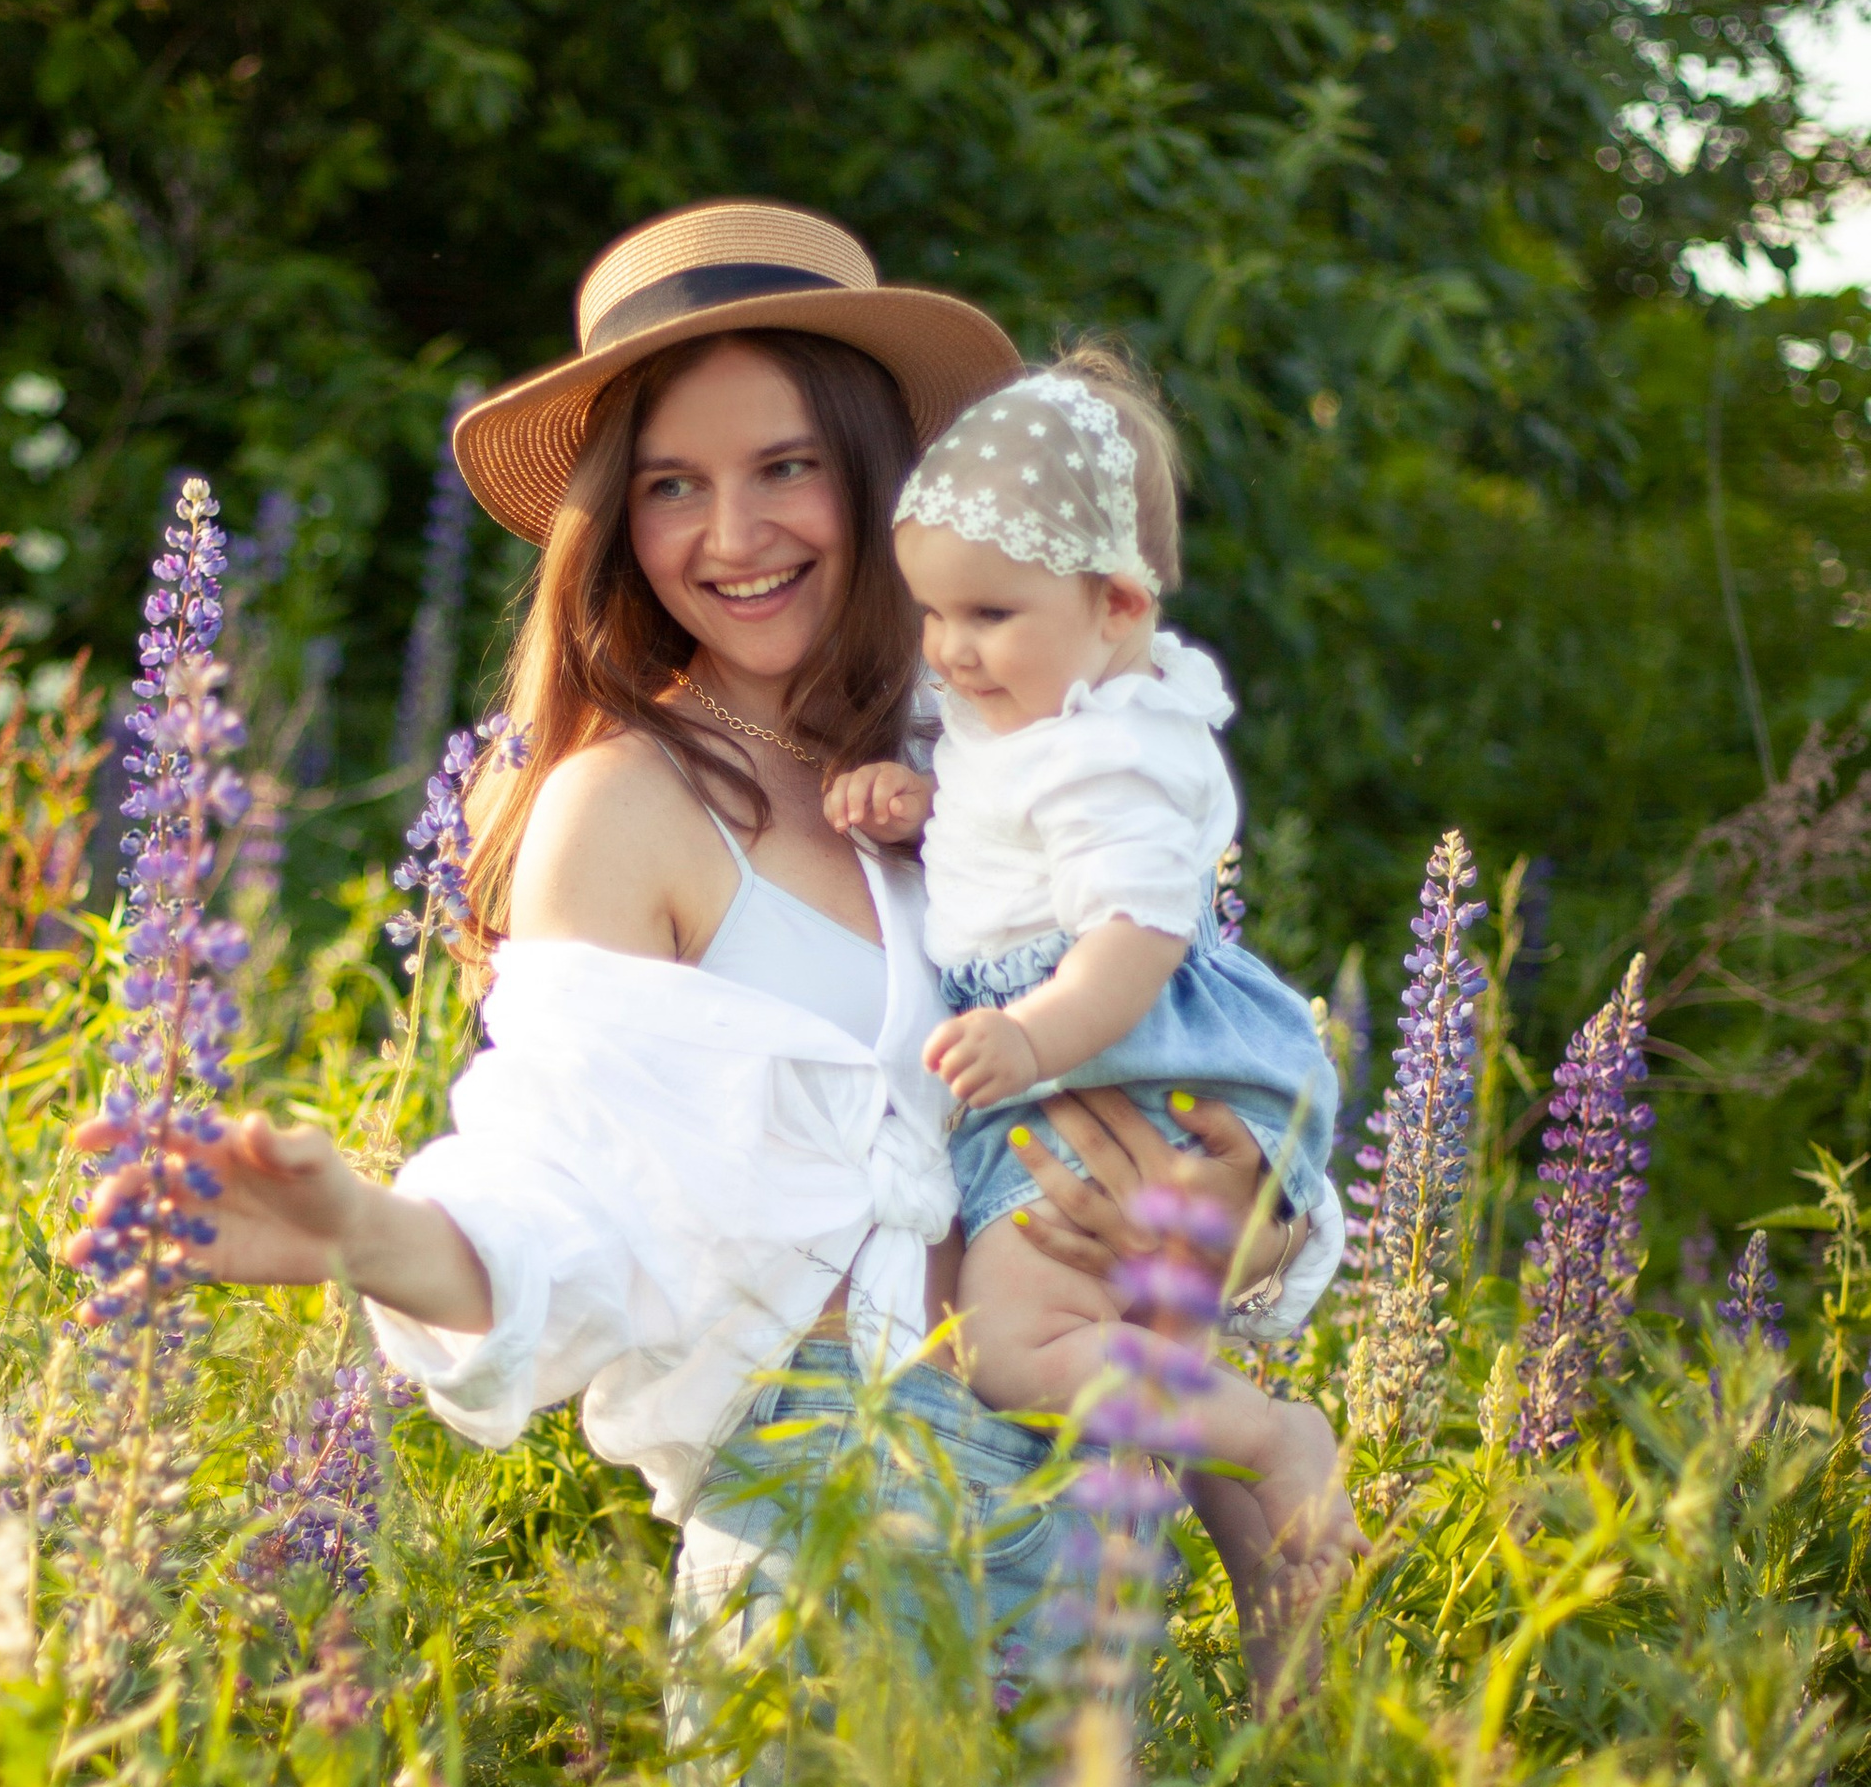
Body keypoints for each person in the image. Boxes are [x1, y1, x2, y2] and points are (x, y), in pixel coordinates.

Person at [160, 202, 1345, 1691]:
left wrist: (1252, 1208)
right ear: (618, 518)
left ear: (873, 473)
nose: (732, 536)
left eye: (785, 466)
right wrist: (378, 1240)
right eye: (671, 485)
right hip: (833, 1534)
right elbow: (565, 1180)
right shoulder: (626, 809)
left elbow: (1196, 1054)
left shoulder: (992, 746)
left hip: (1096, 1542)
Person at [825, 346, 1359, 1657]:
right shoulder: (1032, 715)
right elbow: (1007, 852)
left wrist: (1031, 1034)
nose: (948, 652)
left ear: (1119, 605)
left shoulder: (1112, 759)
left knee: (1019, 1346)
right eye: (932, 618)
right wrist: (922, 807)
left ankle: (1271, 1441)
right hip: (1111, 1072)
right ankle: (1268, 1564)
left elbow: (1130, 933)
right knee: (1110, 1339)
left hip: (1109, 1058)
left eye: (986, 619)